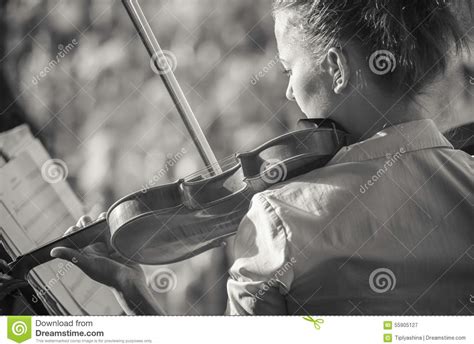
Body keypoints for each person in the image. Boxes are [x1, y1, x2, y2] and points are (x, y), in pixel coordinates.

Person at [49, 0, 473, 315]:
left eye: (290, 70)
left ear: (338, 67)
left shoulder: (281, 221)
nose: (289, 93)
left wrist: (135, 293)